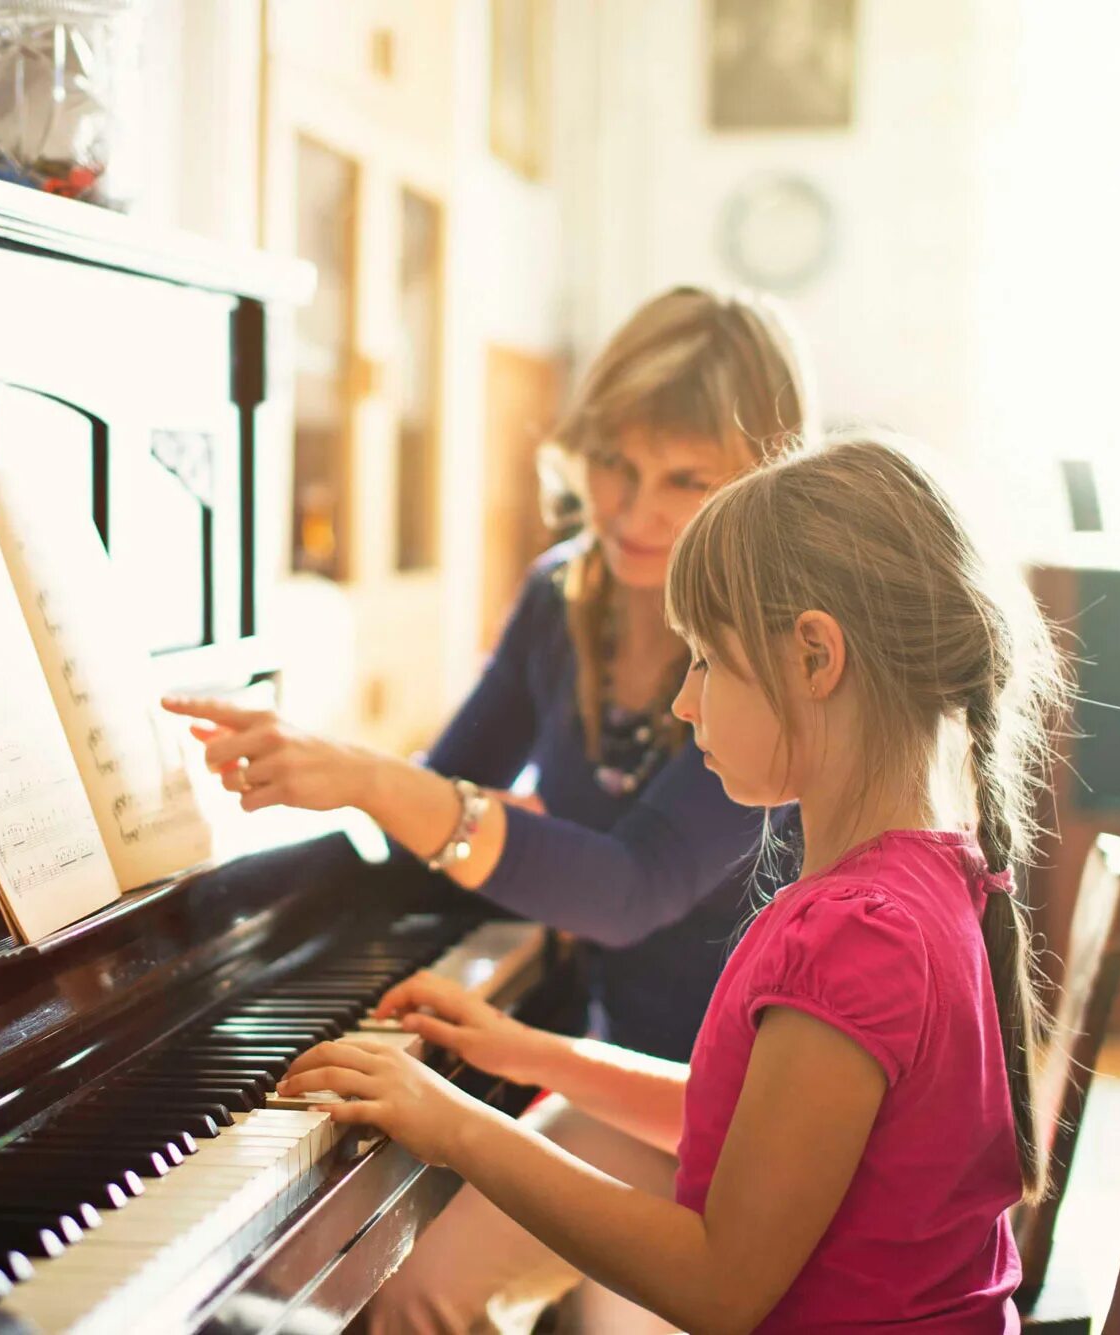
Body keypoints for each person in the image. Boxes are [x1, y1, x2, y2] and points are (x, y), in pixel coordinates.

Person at [278, 435, 1063, 1333]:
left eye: (706, 660)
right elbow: (749, 1129)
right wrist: (534, 1053)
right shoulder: (924, 876)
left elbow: (717, 1287)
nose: (685, 702)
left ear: (815, 657)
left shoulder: (857, 934)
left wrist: (453, 1123)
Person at [163, 287, 814, 1331]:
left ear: (762, 481)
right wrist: (234, 903)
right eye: (614, 463)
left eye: (685, 480)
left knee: (450, 1286)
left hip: (738, 1117)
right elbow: (448, 790)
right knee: (402, 1277)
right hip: (622, 1074)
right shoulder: (565, 596)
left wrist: (375, 779)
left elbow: (624, 891)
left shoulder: (767, 656)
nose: (631, 510)